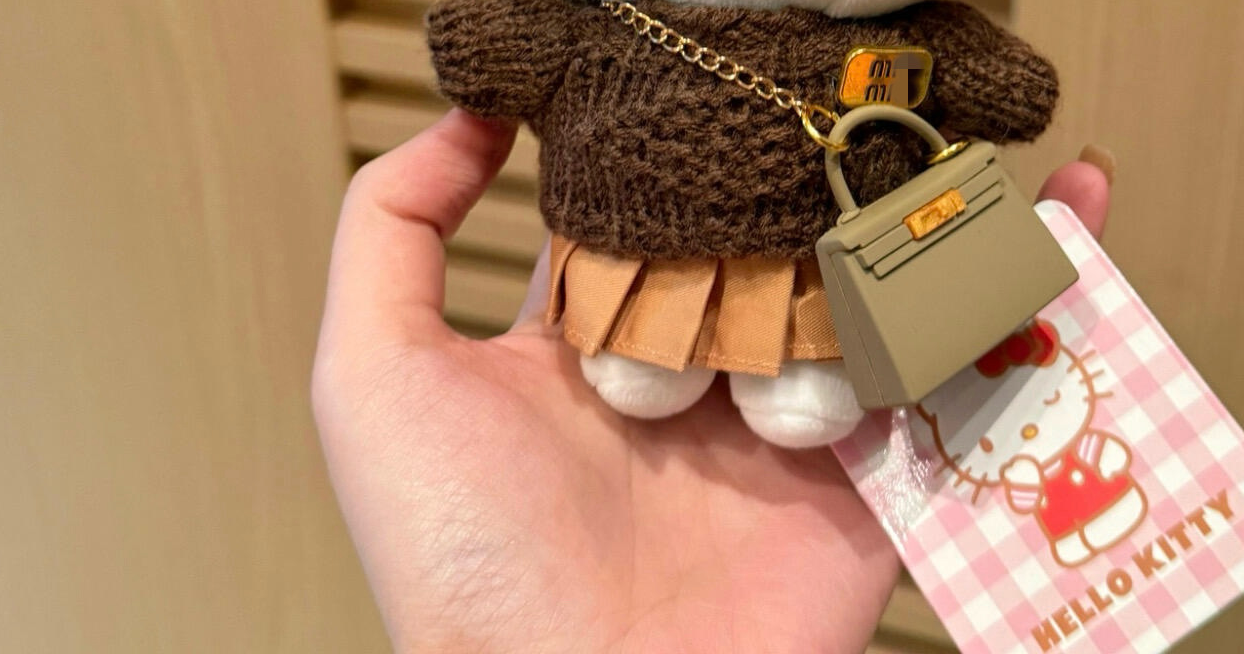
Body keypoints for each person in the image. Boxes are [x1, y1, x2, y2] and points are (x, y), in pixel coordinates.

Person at [313, 109, 1112, 653]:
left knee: (830, 320)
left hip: (820, 278)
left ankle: (800, 360)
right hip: (646, 244)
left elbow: (1003, 88)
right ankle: (651, 338)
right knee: (646, 324)